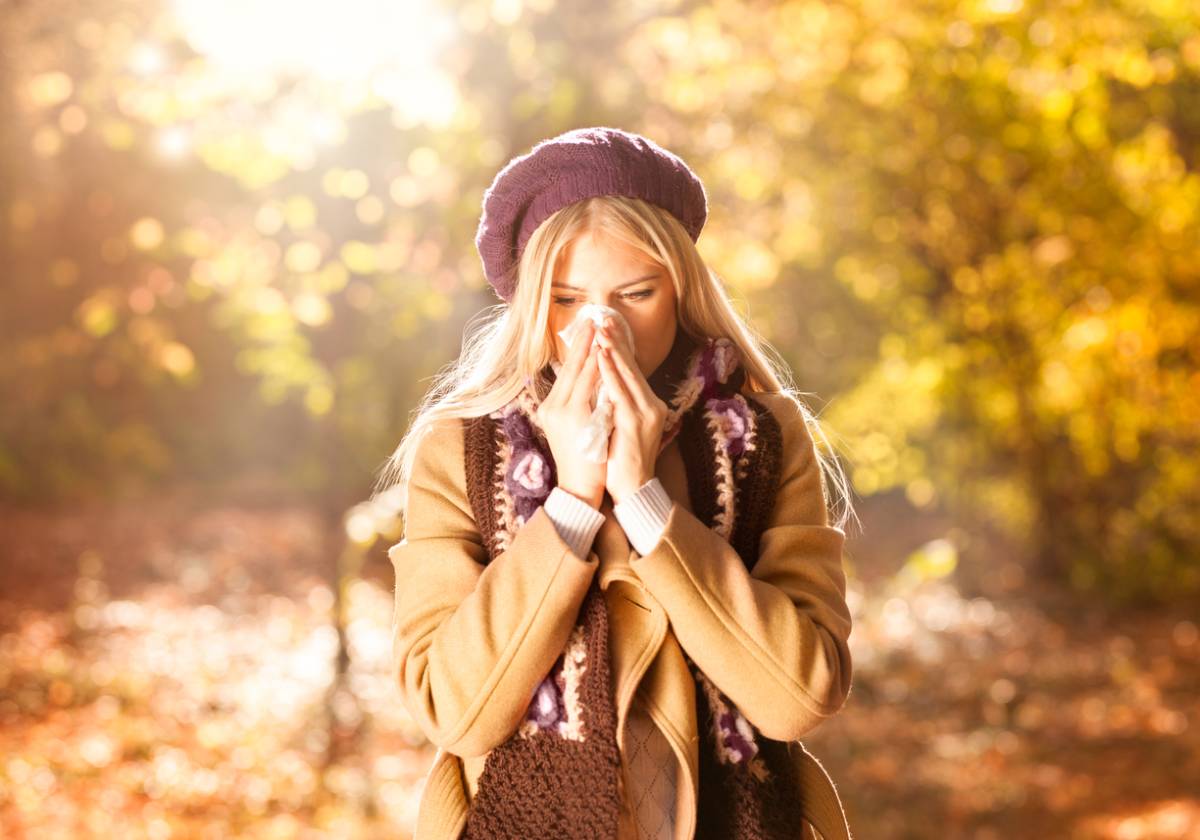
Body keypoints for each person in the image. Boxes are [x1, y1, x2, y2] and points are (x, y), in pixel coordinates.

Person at [374, 126, 858, 840]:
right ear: (532, 302)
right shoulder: (460, 448)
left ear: (681, 290)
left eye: (636, 293)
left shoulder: (763, 437)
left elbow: (800, 696)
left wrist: (643, 500)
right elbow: (455, 712)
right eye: (568, 301)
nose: (603, 330)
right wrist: (572, 499)